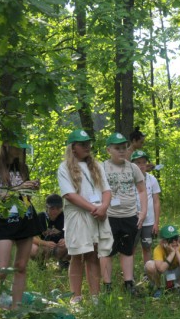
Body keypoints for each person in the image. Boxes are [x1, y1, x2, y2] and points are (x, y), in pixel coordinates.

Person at [0, 141, 41, 319]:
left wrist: (32, 187)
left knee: (21, 267)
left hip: (25, 219)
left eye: (23, 147)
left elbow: (25, 196)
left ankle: (16, 312)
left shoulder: (22, 166)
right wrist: (19, 188)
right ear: (7, 145)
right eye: (18, 146)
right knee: (1, 270)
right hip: (4, 221)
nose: (21, 150)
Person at [58, 129, 114, 304]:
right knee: (77, 255)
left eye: (88, 143)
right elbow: (69, 194)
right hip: (78, 215)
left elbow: (106, 190)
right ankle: (75, 297)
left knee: (93, 254)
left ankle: (95, 297)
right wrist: (94, 208)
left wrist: (103, 207)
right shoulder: (64, 167)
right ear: (73, 147)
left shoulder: (96, 165)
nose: (87, 147)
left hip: (97, 215)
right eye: (83, 144)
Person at [100, 132, 147, 295]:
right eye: (117, 148)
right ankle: (107, 286)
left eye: (124, 147)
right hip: (109, 217)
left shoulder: (132, 167)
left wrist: (143, 212)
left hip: (129, 215)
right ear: (109, 150)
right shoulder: (102, 167)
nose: (121, 151)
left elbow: (142, 190)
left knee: (127, 250)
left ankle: (128, 283)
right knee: (107, 250)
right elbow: (94, 190)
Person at [145, 225, 180, 298]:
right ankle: (159, 288)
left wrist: (177, 252)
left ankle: (177, 286)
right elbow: (161, 269)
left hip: (176, 274)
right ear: (162, 241)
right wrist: (171, 253)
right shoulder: (158, 249)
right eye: (170, 239)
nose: (174, 242)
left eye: (176, 238)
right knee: (149, 265)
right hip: (163, 275)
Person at [131, 150, 161, 264]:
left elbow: (156, 202)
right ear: (132, 164)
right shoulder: (129, 180)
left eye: (143, 162)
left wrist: (156, 223)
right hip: (133, 220)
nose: (141, 165)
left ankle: (147, 273)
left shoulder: (151, 179)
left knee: (147, 247)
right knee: (131, 248)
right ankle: (130, 276)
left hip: (149, 221)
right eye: (138, 162)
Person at [30, 194, 69, 269]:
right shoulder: (40, 217)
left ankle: (64, 262)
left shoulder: (65, 217)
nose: (55, 211)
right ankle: (41, 264)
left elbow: (74, 234)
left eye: (58, 208)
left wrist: (66, 240)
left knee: (71, 244)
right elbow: (31, 238)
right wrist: (45, 243)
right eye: (52, 208)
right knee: (32, 249)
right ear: (46, 207)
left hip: (60, 247)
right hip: (44, 247)